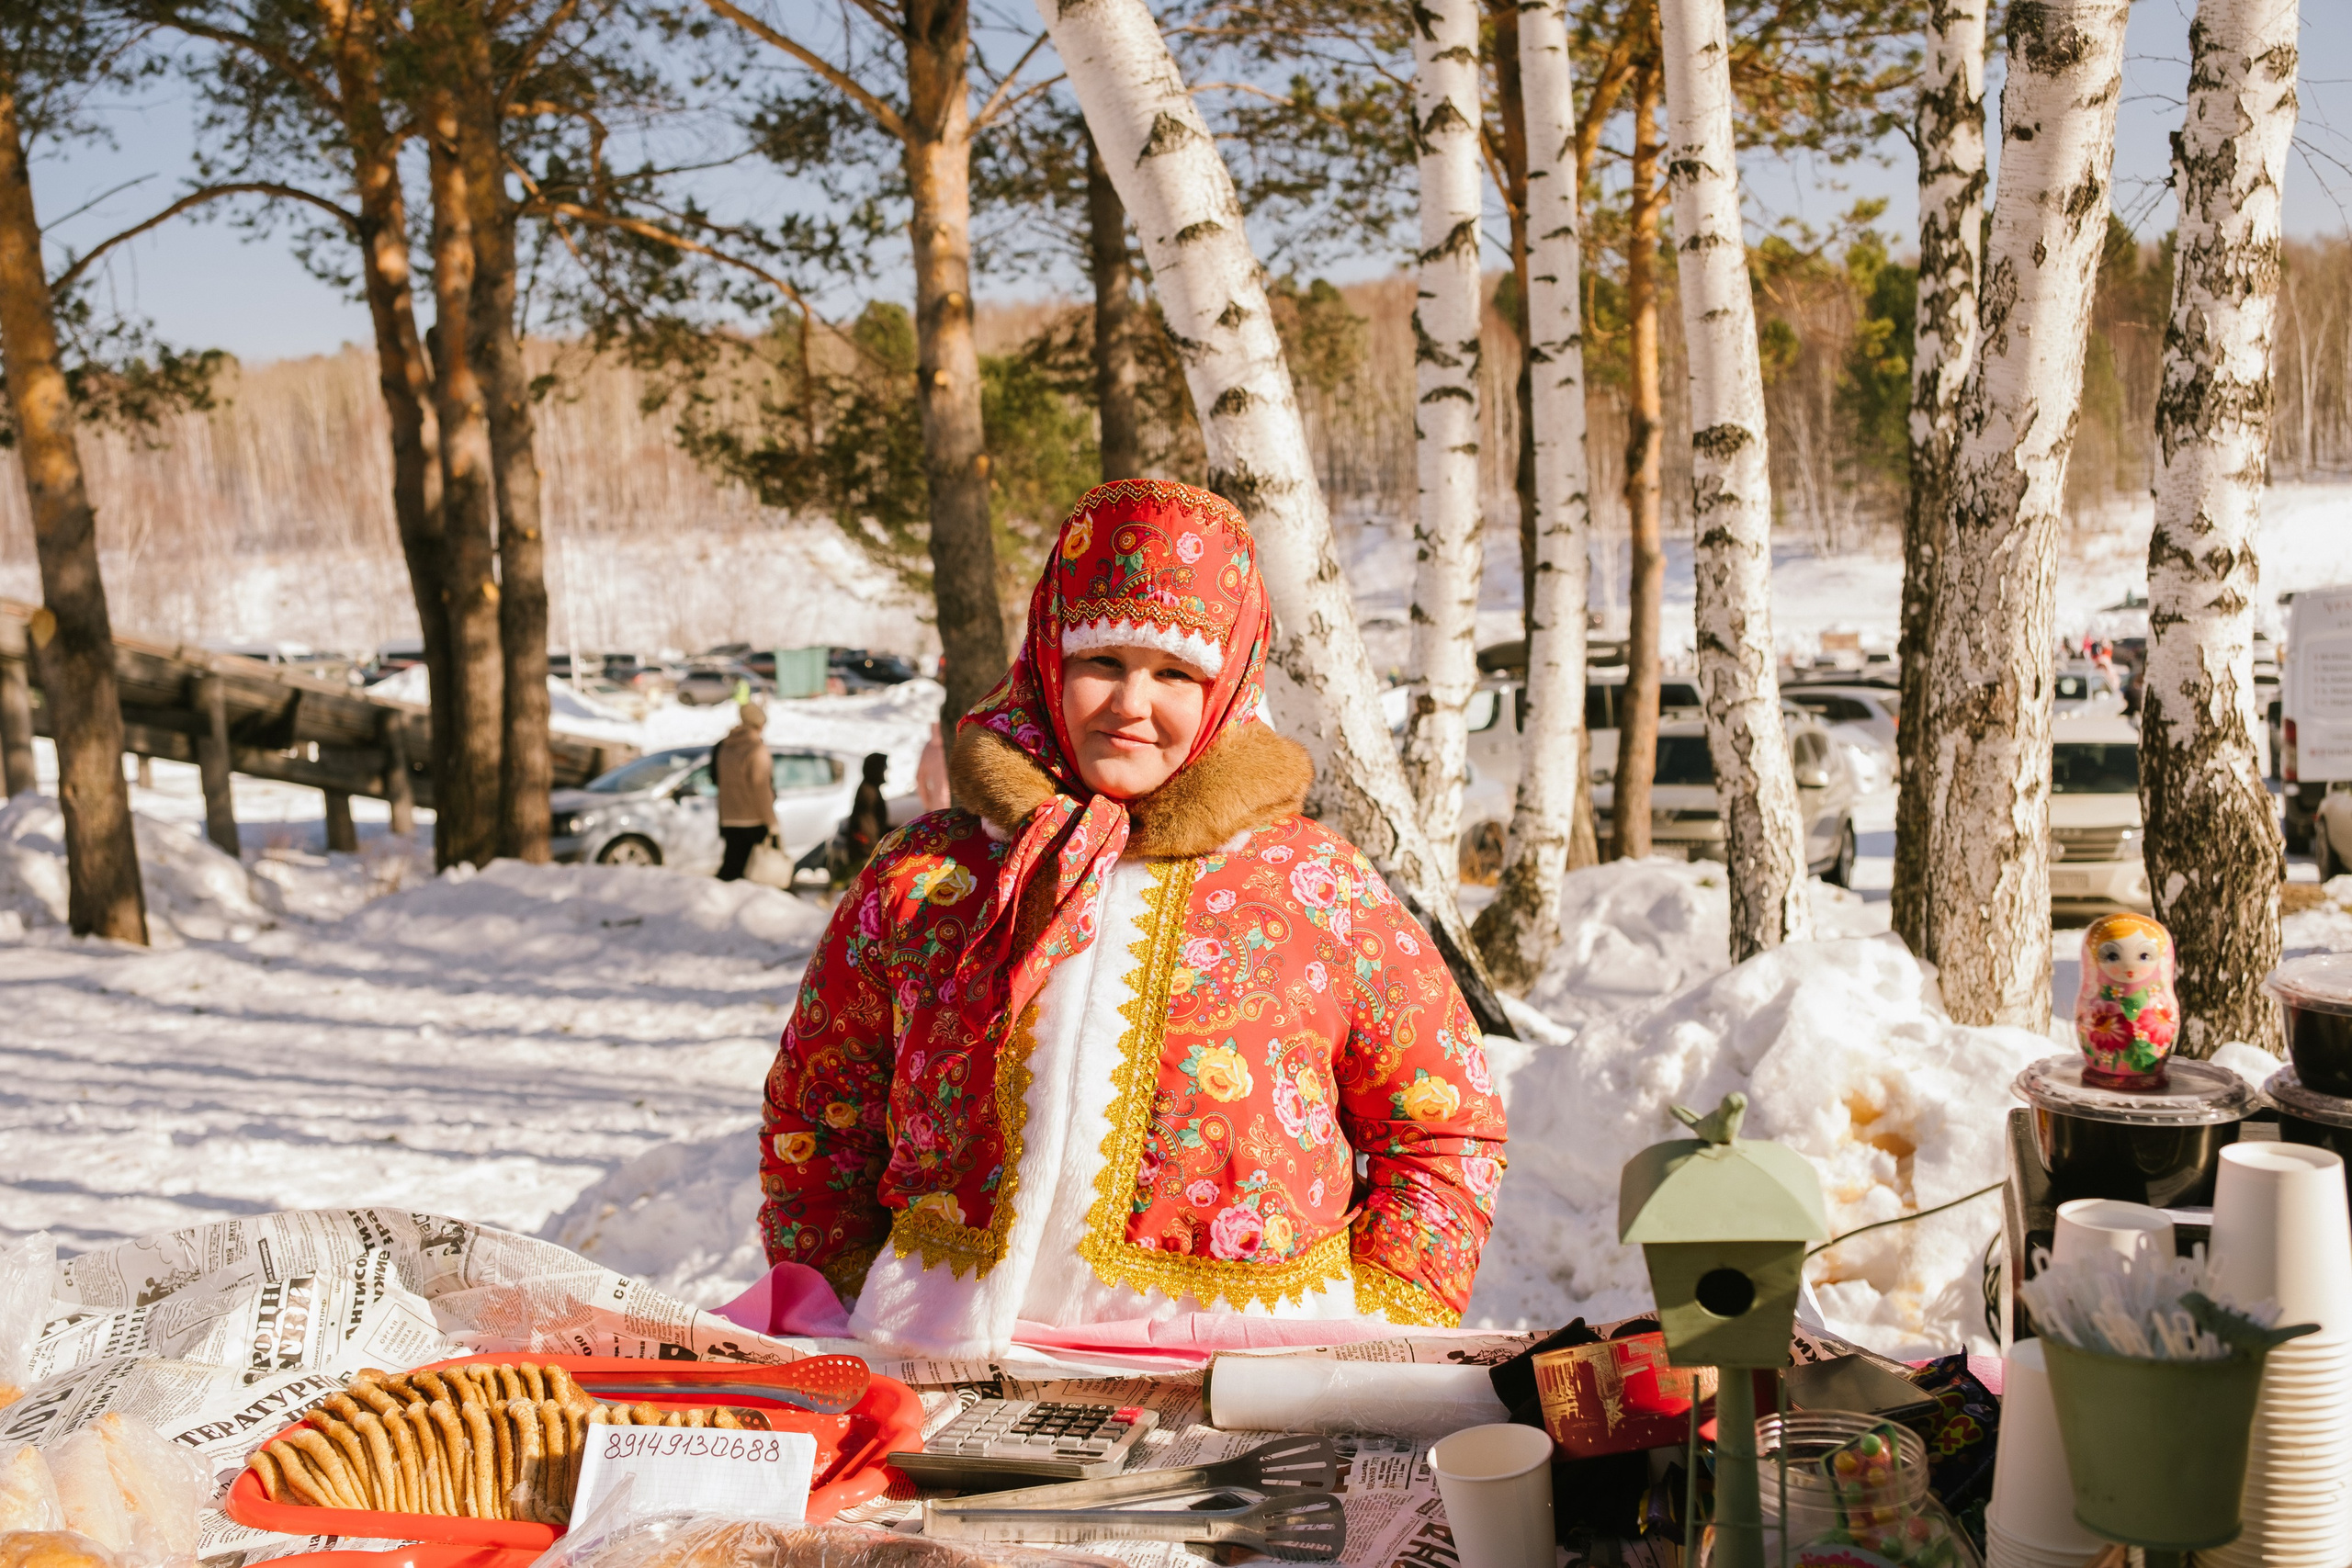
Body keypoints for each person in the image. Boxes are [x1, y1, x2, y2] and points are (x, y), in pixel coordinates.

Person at [757, 480, 1507, 1358]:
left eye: (1175, 674)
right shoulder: (928, 878)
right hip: (939, 1375)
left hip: (1245, 1394)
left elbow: (1444, 1127)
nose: (1131, 704)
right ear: (1048, 662)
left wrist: (1377, 1330)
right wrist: (847, 1297)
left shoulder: (1315, 888)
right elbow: (819, 1112)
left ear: (1226, 684)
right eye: (1102, 663)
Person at [715, 703, 776, 882]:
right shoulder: (757, 749)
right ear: (759, 725)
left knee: (731, 872)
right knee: (753, 878)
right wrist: (771, 822)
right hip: (753, 820)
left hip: (728, 818)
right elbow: (761, 788)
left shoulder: (725, 746)